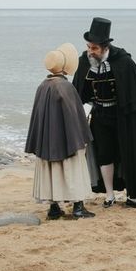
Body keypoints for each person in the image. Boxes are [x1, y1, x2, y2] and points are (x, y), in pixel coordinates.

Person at [72, 17, 136, 208]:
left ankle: (134, 194)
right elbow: (80, 91)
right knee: (104, 154)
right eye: (88, 47)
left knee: (128, 153)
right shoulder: (85, 62)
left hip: (122, 116)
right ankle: (109, 194)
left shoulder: (123, 61)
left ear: (104, 47)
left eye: (94, 48)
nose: (90, 51)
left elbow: (134, 92)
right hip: (100, 116)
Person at [25, 43, 95, 220]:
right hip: (66, 138)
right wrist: (82, 134)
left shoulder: (43, 85)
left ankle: (54, 208)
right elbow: (74, 115)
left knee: (50, 170)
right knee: (73, 166)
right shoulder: (65, 87)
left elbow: (38, 117)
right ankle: (78, 207)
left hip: (47, 139)